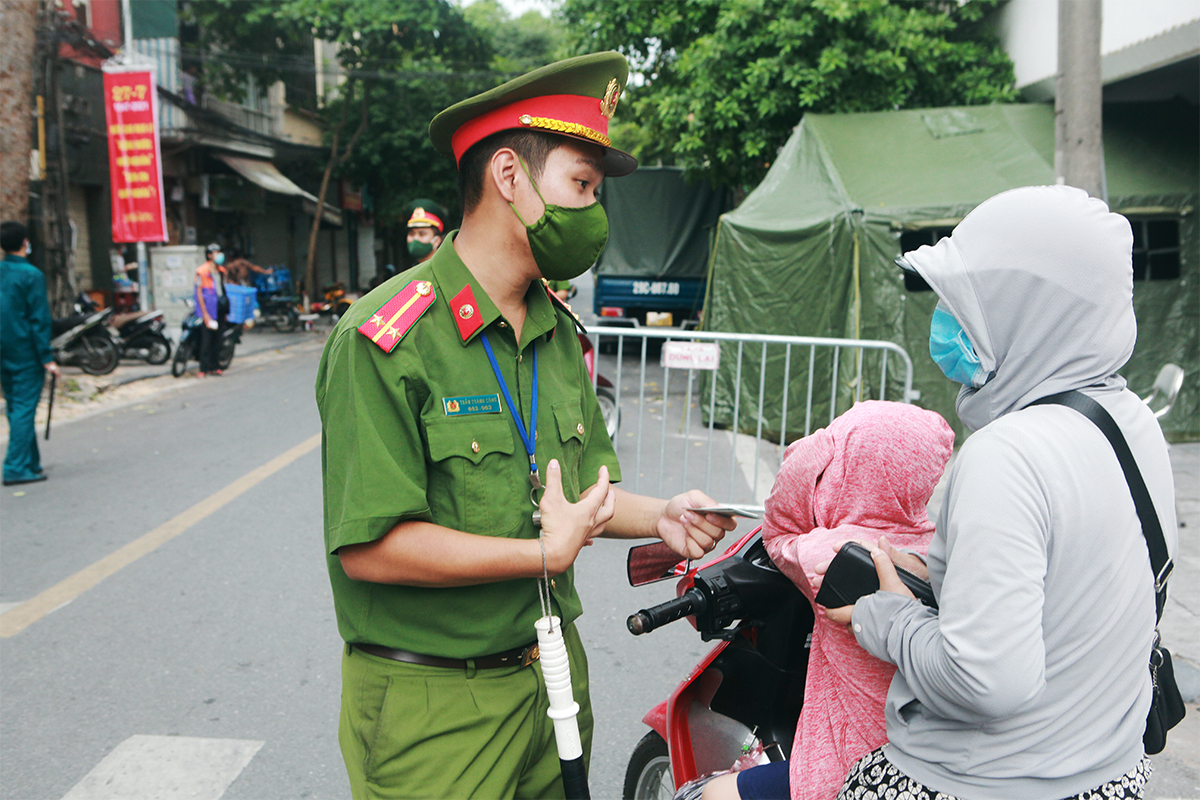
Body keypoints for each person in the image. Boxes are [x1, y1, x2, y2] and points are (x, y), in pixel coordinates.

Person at [315, 52, 737, 800]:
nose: (595, 212)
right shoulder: (388, 338)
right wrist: (540, 554)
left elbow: (580, 494)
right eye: (581, 185)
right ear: (508, 176)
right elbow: (371, 550)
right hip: (434, 705)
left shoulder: (555, 330)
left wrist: (662, 515)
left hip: (550, 682)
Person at [826, 185, 1176, 800]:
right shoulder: (1132, 422)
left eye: (968, 305)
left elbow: (984, 682)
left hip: (981, 781)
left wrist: (888, 618)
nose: (946, 323)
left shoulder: (1006, 455)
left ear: (1029, 309)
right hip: (1110, 774)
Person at [691, 401, 953, 800]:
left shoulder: (833, 555)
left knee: (710, 796)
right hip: (926, 756)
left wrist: (816, 447)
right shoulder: (932, 550)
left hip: (853, 768)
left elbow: (778, 533)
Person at [0, 221, 60, 486]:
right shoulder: (31, 275)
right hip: (25, 351)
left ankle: (30, 462)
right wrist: (47, 358)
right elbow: (39, 320)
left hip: (4, 350)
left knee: (16, 407)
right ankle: (14, 467)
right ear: (25, 242)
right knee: (24, 408)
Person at [193, 242, 227, 377]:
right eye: (215, 253)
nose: (219, 255)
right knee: (206, 341)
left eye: (219, 252)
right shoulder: (201, 271)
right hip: (208, 310)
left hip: (220, 308)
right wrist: (205, 314)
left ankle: (215, 367)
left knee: (218, 340)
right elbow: (199, 295)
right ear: (209, 255)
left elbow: (224, 291)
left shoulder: (222, 271)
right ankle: (203, 368)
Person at [404, 198, 447, 267]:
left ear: (436, 241)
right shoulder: (411, 272)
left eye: (422, 234)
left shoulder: (445, 268)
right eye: (411, 234)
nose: (415, 239)